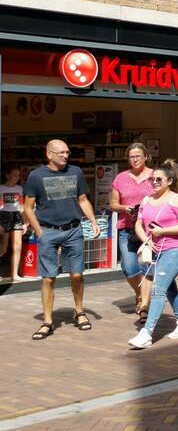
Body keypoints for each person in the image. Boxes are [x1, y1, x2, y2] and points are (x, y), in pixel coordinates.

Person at [22, 139, 100, 340]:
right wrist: (39, 231)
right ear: (49, 154)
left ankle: (79, 311)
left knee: (77, 275)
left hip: (73, 230)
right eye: (61, 153)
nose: (66, 156)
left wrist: (93, 221)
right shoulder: (36, 176)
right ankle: (47, 321)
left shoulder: (76, 172)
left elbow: (83, 199)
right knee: (48, 278)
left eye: (67, 152)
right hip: (48, 231)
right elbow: (27, 207)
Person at [128, 160, 178, 349]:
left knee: (158, 289)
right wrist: (146, 240)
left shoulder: (176, 200)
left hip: (175, 250)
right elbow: (138, 224)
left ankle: (147, 333)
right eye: (152, 179)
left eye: (159, 179)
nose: (154, 182)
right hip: (156, 251)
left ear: (169, 181)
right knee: (169, 287)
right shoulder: (146, 200)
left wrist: (163, 231)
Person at [110, 143, 154, 317]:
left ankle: (144, 303)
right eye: (131, 157)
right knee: (129, 267)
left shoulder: (154, 176)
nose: (135, 159)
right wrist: (124, 208)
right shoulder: (120, 178)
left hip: (149, 230)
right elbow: (113, 204)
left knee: (147, 266)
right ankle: (141, 295)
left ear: (145, 157)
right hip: (126, 229)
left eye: (138, 156)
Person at [0, 166, 26, 281]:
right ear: (7, 175)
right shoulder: (1, 188)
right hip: (4, 216)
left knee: (17, 246)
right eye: (14, 175)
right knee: (3, 248)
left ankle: (14, 275)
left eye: (18, 175)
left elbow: (21, 206)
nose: (17, 177)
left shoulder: (19, 188)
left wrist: (24, 222)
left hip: (17, 216)